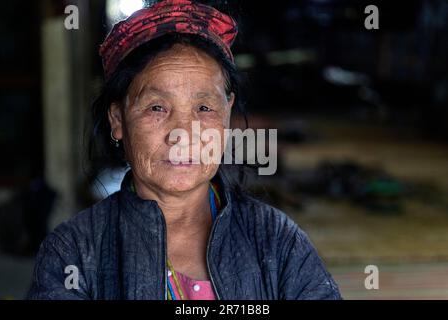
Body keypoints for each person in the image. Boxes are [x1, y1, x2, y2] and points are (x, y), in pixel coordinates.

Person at [27, 0, 341, 300]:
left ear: (227, 115)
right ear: (118, 119)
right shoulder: (74, 252)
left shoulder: (278, 242)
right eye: (156, 107)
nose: (182, 135)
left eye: (204, 107)